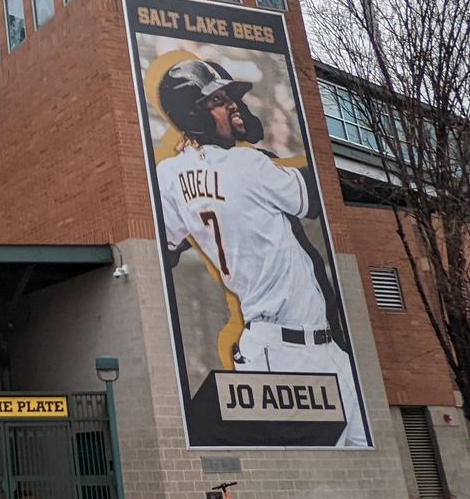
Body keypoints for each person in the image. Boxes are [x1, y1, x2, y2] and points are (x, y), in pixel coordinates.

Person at [154, 58, 369, 448]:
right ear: (194, 116)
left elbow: (164, 250)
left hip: (313, 349)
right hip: (284, 352)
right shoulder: (247, 163)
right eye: (218, 100)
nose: (233, 104)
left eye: (229, 96)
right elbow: (312, 197)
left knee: (354, 459)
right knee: (315, 466)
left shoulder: (169, 177)